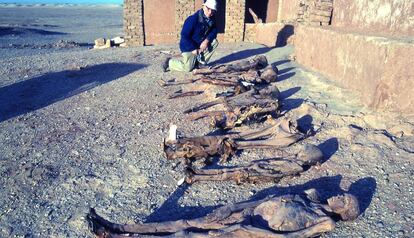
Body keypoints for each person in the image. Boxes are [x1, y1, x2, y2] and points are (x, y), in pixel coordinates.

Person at [163, 0, 219, 72]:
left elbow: (214, 30)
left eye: (213, 10)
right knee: (188, 68)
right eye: (208, 9)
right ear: (204, 7)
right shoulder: (192, 19)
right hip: (188, 47)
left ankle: (199, 63)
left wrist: (207, 40)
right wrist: (193, 48)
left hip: (200, 45)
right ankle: (169, 62)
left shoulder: (211, 19)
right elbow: (184, 36)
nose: (210, 12)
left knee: (214, 42)